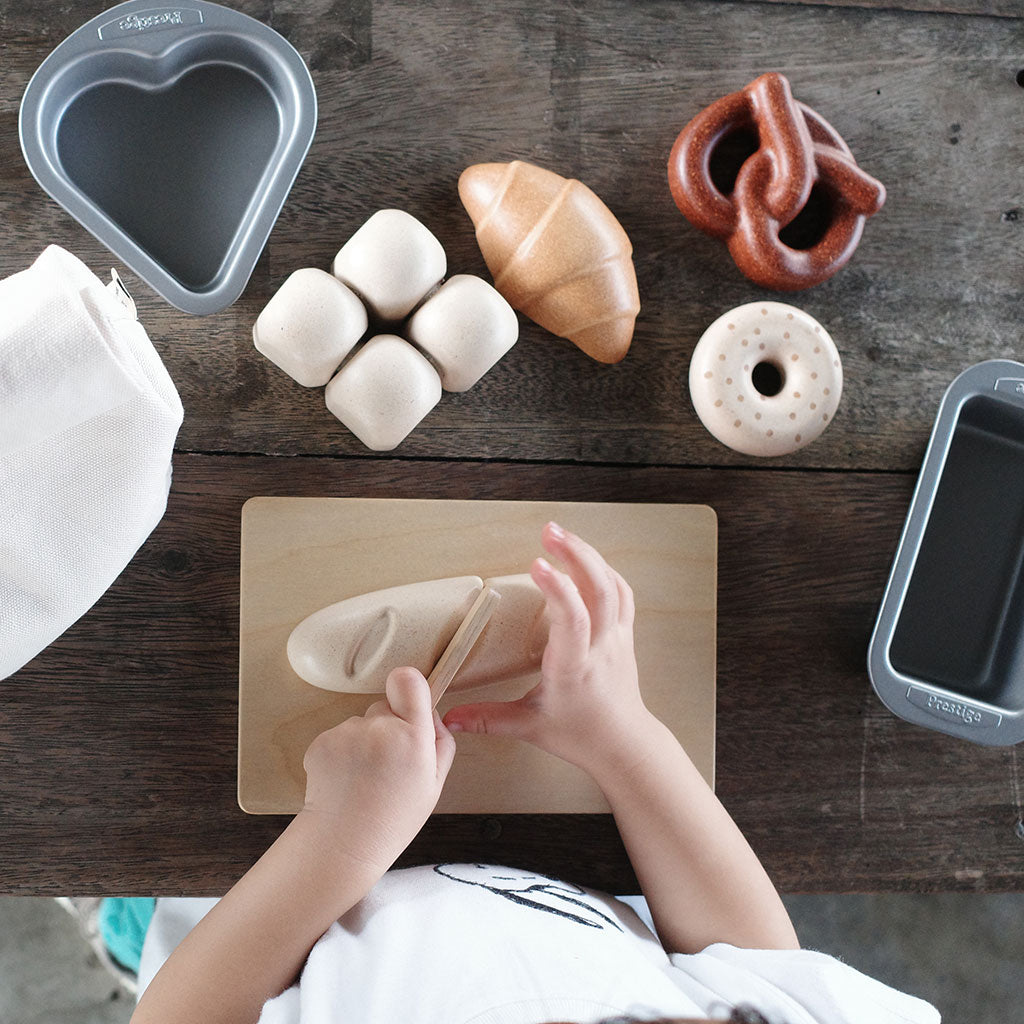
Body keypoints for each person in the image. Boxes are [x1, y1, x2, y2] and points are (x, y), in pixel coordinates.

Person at [130, 523, 939, 1024]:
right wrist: (625, 741)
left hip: (259, 923)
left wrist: (335, 843)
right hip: (553, 890)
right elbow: (759, 964)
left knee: (142, 874)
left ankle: (113, 927)